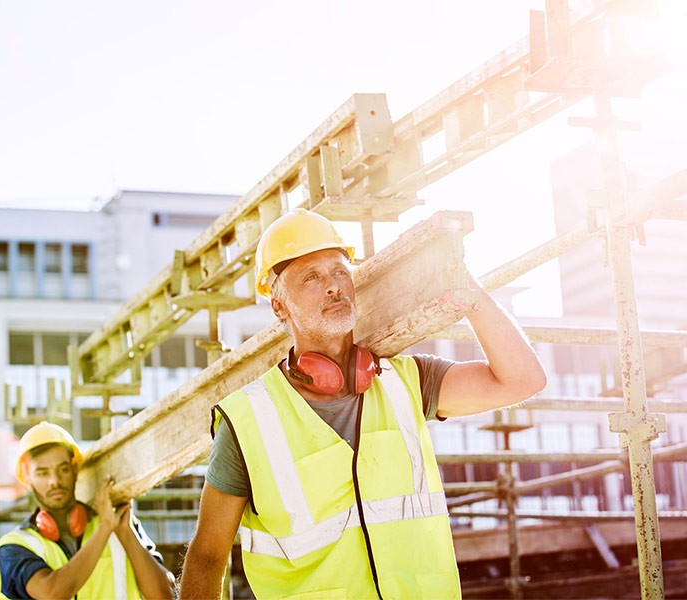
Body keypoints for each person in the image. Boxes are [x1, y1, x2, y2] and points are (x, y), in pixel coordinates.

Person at [179, 208, 547, 599]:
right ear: (279, 307)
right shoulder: (247, 422)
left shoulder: (408, 382)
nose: (334, 286)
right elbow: (207, 555)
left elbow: (523, 379)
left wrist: (466, 290)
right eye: (312, 277)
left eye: (339, 271)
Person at [0, 421, 175, 599]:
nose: (54, 481)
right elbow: (52, 594)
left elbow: (165, 595)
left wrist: (125, 533)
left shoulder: (120, 522)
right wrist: (104, 529)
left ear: (75, 470)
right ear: (27, 479)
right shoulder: (15, 546)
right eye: (43, 473)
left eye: (63, 469)